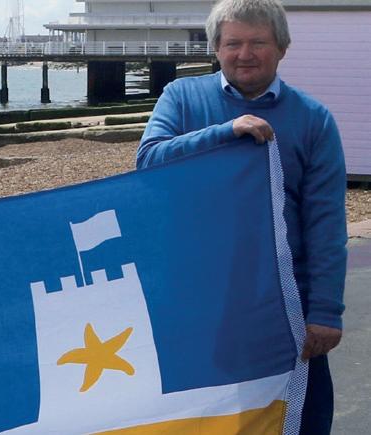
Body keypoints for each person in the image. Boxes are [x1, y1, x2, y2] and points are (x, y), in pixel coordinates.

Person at [136, 0, 347, 433]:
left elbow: (325, 222)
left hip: (284, 305)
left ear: (282, 48)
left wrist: (326, 311)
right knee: (203, 420)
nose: (244, 54)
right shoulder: (181, 97)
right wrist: (224, 134)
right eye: (233, 43)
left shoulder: (314, 120)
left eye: (258, 43)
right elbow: (149, 162)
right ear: (216, 48)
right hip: (199, 301)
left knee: (299, 418)